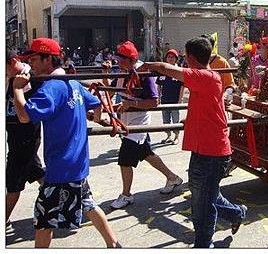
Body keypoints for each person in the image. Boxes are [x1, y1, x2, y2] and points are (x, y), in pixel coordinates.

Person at [138, 37, 247, 248]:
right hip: (203, 149)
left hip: (212, 151)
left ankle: (203, 244)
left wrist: (147, 66)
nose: (183, 61)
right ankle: (237, 213)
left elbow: (164, 68)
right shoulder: (206, 79)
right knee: (206, 195)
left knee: (202, 204)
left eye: (185, 57)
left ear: (190, 58)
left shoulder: (206, 76)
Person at [12, 38, 120, 248]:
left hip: (60, 168)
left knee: (43, 219)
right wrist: (95, 118)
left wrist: (17, 89)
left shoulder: (51, 88)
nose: (31, 64)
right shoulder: (72, 83)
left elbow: (24, 116)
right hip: (77, 164)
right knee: (88, 204)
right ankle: (113, 243)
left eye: (34, 59)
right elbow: (96, 104)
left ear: (48, 60)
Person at [103, 41, 183, 209]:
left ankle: (126, 195)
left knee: (125, 160)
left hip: (138, 123)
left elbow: (154, 102)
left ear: (132, 60)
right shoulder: (122, 72)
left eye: (121, 60)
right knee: (146, 153)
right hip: (126, 121)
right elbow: (109, 92)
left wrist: (131, 106)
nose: (118, 63)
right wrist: (105, 73)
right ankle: (172, 177)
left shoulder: (144, 74)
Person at [5, 50, 45, 231]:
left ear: (13, 61)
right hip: (14, 137)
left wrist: (18, 88)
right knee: (36, 172)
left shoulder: (29, 79)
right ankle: (63, 196)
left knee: (13, 181)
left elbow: (27, 114)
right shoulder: (10, 78)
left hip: (25, 137)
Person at [156, 49, 184, 144]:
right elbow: (159, 85)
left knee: (176, 119)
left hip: (175, 100)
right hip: (164, 99)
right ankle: (168, 136)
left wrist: (180, 100)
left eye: (172, 57)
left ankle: (176, 137)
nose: (170, 58)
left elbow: (182, 87)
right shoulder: (163, 70)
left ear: (176, 59)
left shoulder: (179, 70)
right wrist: (158, 97)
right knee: (166, 119)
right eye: (169, 57)